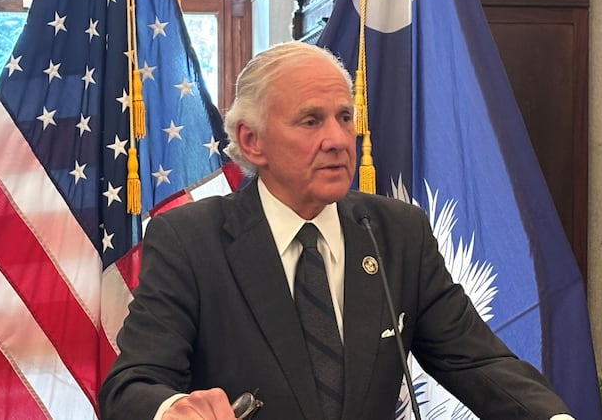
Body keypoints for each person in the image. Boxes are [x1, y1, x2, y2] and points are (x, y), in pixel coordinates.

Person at [98, 41, 575, 420]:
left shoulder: (395, 232)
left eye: (345, 117)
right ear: (251, 140)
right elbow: (132, 384)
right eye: (311, 120)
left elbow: (477, 362)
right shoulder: (189, 239)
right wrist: (172, 410)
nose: (338, 139)